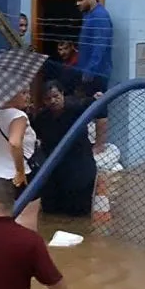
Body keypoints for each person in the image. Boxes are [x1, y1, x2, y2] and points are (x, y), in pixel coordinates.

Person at [32, 80, 103, 216]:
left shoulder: (77, 108)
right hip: (54, 168)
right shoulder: (42, 118)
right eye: (48, 99)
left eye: (56, 96)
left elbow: (102, 113)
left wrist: (100, 144)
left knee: (78, 212)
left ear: (62, 94)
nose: (53, 101)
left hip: (78, 165)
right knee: (51, 212)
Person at [0, 89, 41, 232]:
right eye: (23, 93)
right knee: (26, 229)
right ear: (9, 95)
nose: (28, 96)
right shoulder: (19, 115)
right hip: (20, 179)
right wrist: (20, 171)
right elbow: (14, 142)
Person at [74, 0, 113, 152]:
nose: (78, 3)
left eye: (81, 0)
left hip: (96, 72)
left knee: (100, 108)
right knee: (87, 105)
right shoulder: (89, 16)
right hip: (86, 70)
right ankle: (88, 142)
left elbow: (99, 46)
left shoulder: (100, 17)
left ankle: (99, 146)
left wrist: (90, 71)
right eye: (76, 0)